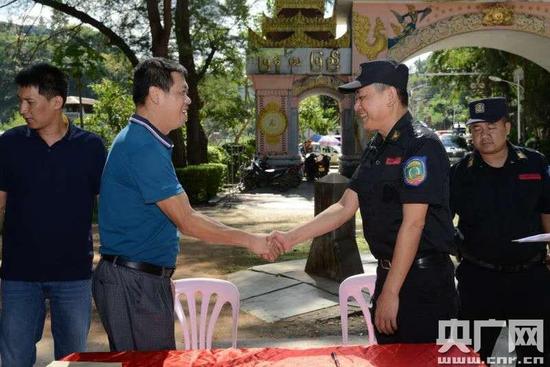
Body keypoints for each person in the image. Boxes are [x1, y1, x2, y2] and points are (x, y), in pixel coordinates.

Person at [93, 57, 282, 352]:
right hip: (134, 283)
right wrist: (251, 240)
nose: (189, 100)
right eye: (182, 92)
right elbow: (187, 220)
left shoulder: (146, 140)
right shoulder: (142, 146)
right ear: (156, 95)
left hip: (140, 279)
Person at [270, 60, 458, 343]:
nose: (357, 106)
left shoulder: (421, 145)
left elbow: (414, 224)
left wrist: (392, 292)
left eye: (362, 97)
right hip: (389, 275)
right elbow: (345, 206)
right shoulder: (376, 146)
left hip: (422, 283)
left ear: (391, 96)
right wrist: (290, 237)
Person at [0, 63, 107, 366]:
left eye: (29, 102)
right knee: (14, 359)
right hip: (19, 275)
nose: (23, 109)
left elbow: (109, 207)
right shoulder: (9, 144)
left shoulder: (91, 147)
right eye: (21, 101)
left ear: (56, 101)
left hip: (74, 275)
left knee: (72, 360)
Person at [450, 97, 550, 363]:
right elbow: (441, 222)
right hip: (478, 283)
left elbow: (547, 212)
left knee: (534, 358)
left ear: (507, 127)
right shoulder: (460, 173)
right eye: (477, 129)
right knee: (469, 359)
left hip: (529, 282)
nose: (484, 135)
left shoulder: (533, 163)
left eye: (492, 126)